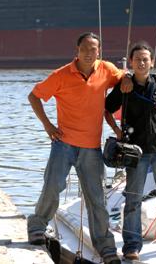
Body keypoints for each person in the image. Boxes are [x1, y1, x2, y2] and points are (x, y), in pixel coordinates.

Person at [27, 32, 132, 264]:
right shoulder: (61, 75)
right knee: (52, 187)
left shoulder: (106, 69)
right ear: (76, 50)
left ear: (99, 51)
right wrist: (47, 125)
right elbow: (34, 96)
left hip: (91, 149)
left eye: (93, 49)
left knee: (97, 200)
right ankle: (36, 226)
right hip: (63, 143)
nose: (88, 53)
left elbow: (123, 77)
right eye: (84, 48)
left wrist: (127, 78)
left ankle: (105, 247)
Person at [105, 41, 156, 261]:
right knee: (133, 198)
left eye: (146, 59)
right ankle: (132, 246)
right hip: (136, 152)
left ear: (152, 62)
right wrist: (116, 129)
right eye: (137, 59)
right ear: (131, 62)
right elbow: (106, 109)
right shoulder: (124, 86)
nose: (142, 62)